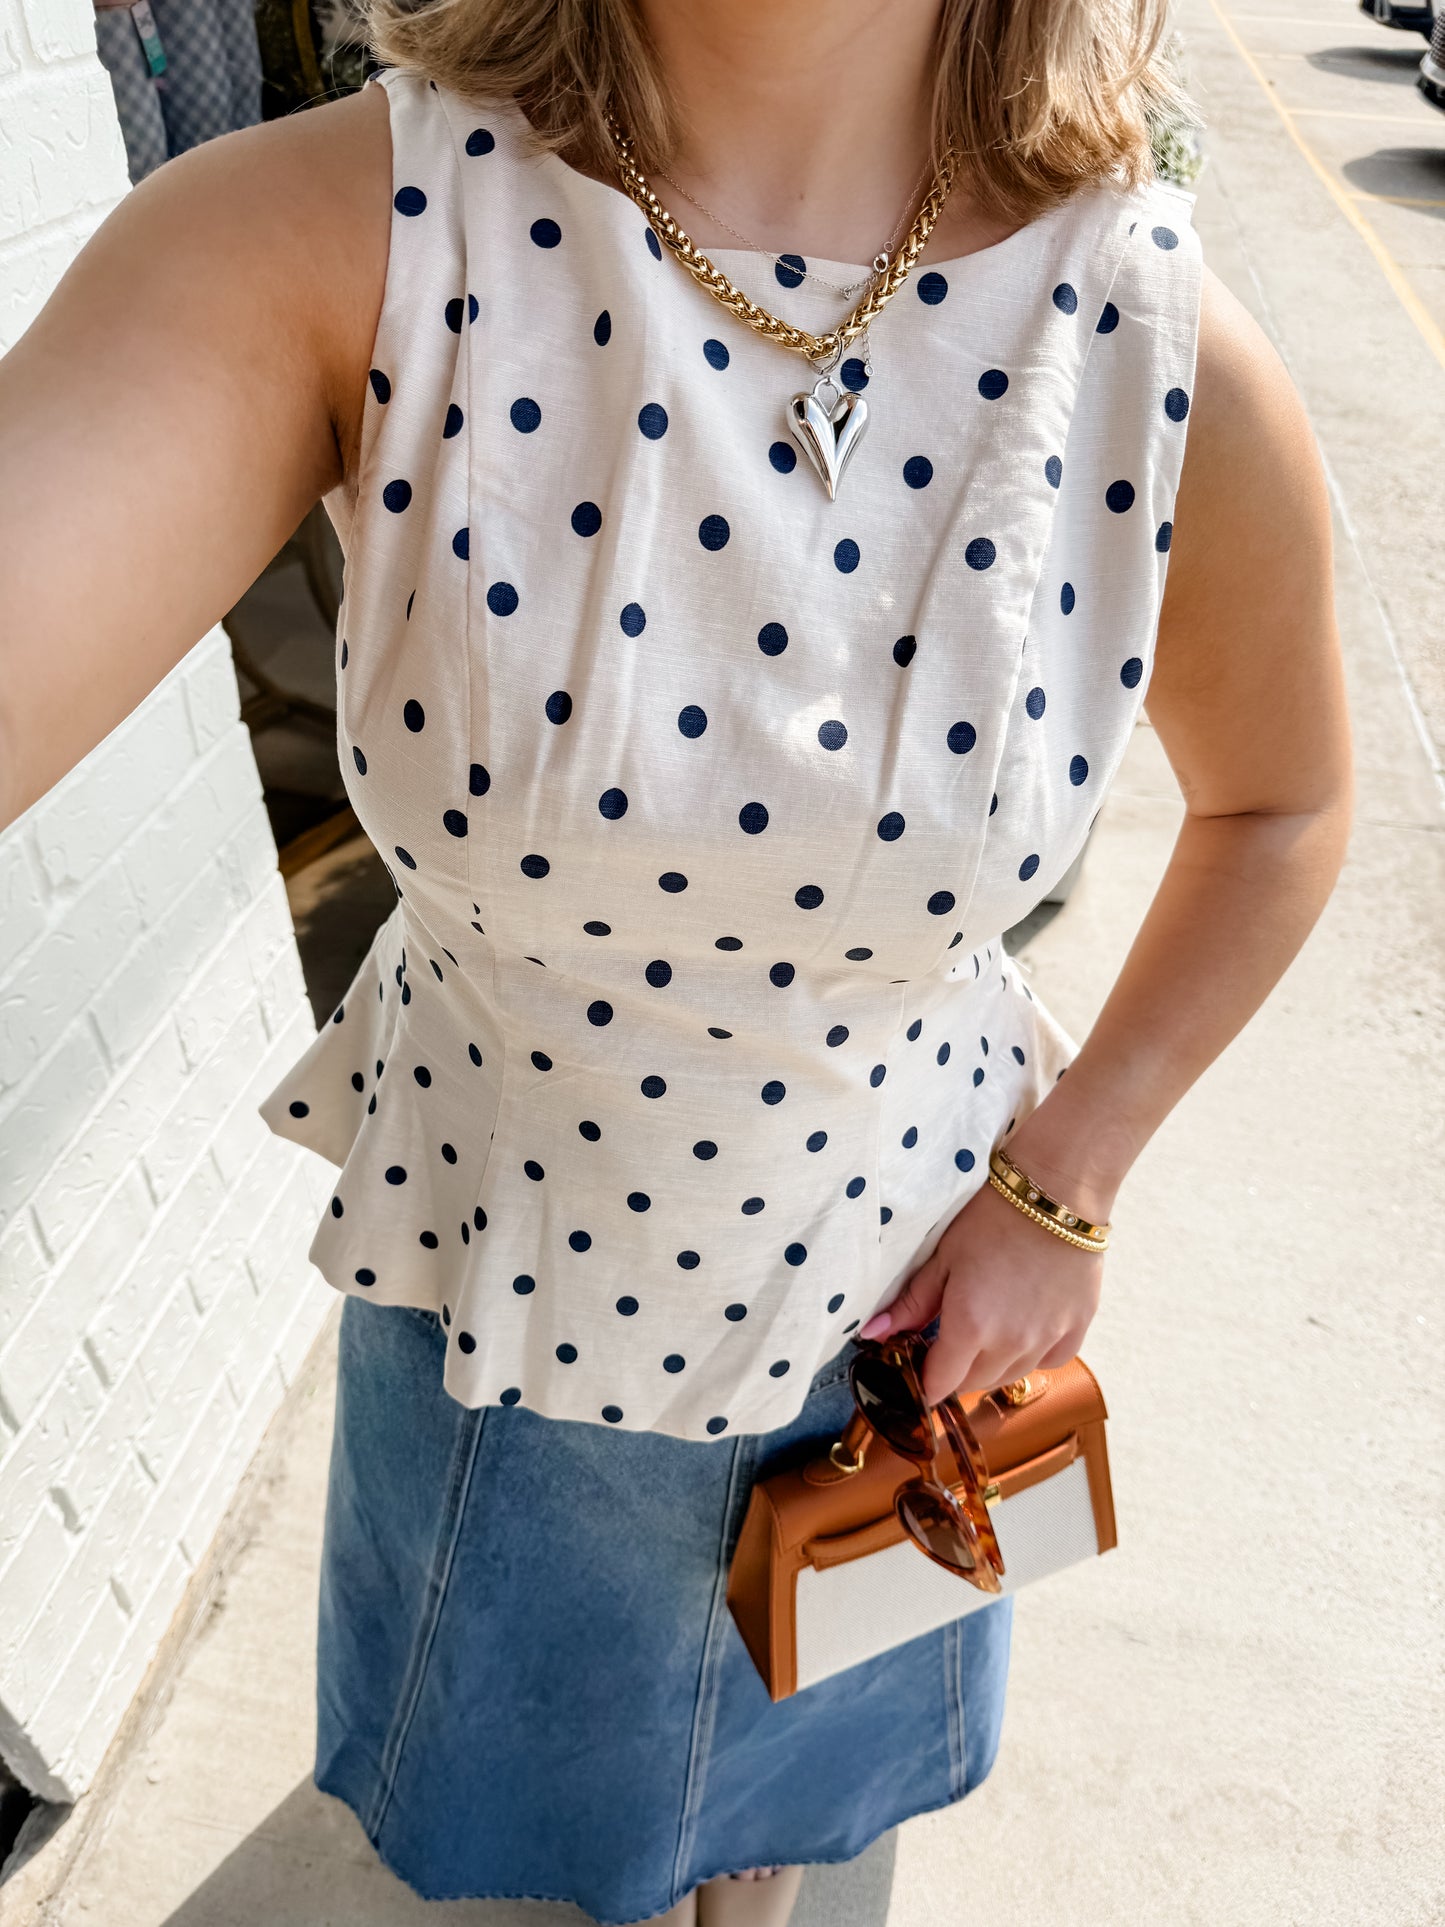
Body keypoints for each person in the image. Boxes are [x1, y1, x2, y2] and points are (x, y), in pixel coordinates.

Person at [0, 0, 1352, 1922]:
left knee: (794, 1784)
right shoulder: (347, 240)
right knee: (542, 1808)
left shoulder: (1150, 340)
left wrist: (1067, 1188)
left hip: (907, 1308)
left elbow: (1282, 805)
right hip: (512, 1313)